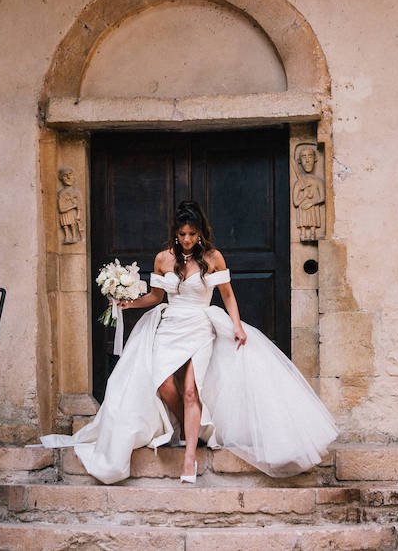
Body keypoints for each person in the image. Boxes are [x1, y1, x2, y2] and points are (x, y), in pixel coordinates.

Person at [41, 201, 337, 483]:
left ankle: (190, 457)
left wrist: (236, 325)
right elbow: (157, 297)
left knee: (192, 390)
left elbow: (228, 295)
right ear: (175, 232)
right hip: (169, 327)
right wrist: (129, 303)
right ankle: (187, 425)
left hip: (199, 326)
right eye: (182, 234)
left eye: (192, 234)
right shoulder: (163, 258)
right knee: (163, 383)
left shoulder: (213, 258)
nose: (186, 239)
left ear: (200, 233)